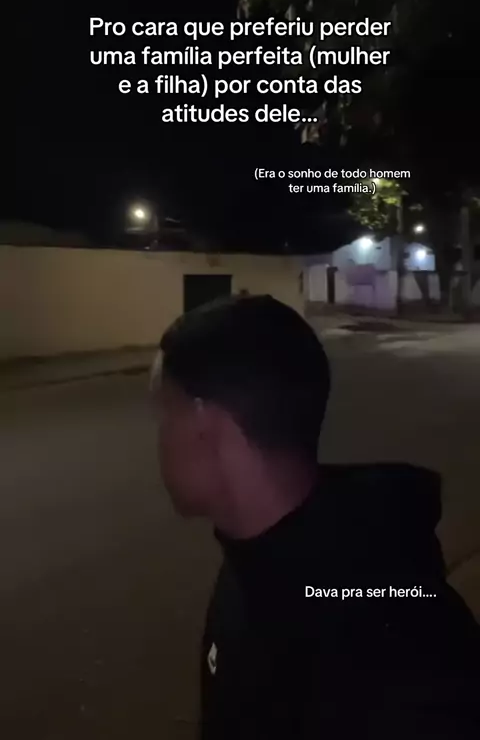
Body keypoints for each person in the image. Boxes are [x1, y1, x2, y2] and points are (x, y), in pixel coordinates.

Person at [152, 294, 480, 739]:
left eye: (165, 413)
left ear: (204, 424)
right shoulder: (254, 561)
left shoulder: (398, 654)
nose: (160, 436)